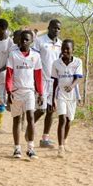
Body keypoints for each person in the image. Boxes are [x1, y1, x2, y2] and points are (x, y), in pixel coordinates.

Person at [6, 30, 43, 159]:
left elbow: (38, 76)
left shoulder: (36, 56)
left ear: (31, 41)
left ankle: (31, 148)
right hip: (16, 91)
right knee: (16, 119)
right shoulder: (13, 55)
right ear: (18, 40)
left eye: (27, 39)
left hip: (29, 91)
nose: (24, 41)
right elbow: (9, 75)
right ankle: (17, 148)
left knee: (30, 117)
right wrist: (9, 90)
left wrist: (41, 93)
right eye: (22, 39)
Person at [32, 19, 62, 148]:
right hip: (42, 80)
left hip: (54, 81)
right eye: (54, 27)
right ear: (49, 27)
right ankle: (29, 124)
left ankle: (45, 138)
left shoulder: (61, 44)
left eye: (58, 28)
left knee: (51, 110)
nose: (56, 30)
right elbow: (34, 60)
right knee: (41, 109)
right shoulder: (40, 41)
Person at [51, 39, 83, 158]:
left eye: (67, 49)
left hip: (72, 95)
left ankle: (64, 141)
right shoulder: (56, 63)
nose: (65, 51)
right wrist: (52, 98)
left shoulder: (78, 62)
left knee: (69, 120)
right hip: (61, 95)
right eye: (63, 48)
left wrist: (72, 86)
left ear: (72, 50)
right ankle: (60, 148)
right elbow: (54, 81)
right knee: (62, 119)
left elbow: (78, 78)